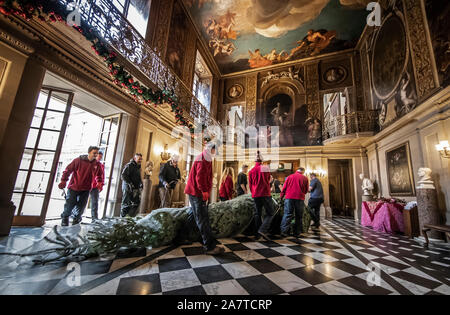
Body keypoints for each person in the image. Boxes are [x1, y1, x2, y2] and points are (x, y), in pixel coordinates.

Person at [184, 142, 224, 255]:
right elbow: (200, 177)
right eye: (214, 150)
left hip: (196, 191)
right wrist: (204, 191)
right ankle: (209, 246)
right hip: (196, 192)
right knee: (202, 217)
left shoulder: (205, 158)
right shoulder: (203, 158)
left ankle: (181, 237)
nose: (215, 152)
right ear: (211, 149)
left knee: (194, 215)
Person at [58, 146, 103, 226]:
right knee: (69, 205)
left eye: (97, 153)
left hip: (86, 189)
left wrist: (100, 183)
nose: (96, 155)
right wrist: (63, 181)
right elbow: (67, 170)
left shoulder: (97, 164)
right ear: (89, 152)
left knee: (81, 207)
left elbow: (100, 175)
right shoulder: (78, 161)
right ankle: (65, 218)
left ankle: (76, 219)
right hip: (74, 187)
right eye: (94, 153)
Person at [248, 151, 275, 240]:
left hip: (256, 194)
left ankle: (257, 234)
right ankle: (262, 230)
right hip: (265, 193)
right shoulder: (265, 168)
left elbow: (250, 184)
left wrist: (253, 193)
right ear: (262, 161)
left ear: (254, 162)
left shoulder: (251, 171)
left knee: (257, 214)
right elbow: (268, 180)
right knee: (270, 212)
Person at [280, 167, 309, 237]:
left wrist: (281, 196)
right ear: (303, 172)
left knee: (287, 214)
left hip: (289, 198)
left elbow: (284, 188)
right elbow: (306, 190)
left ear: (297, 170)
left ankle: (284, 232)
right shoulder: (305, 178)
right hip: (300, 198)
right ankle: (297, 233)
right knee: (298, 216)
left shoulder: (289, 177)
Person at [90, 151, 105, 222]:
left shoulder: (101, 165)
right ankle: (75, 216)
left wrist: (101, 185)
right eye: (98, 156)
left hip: (95, 186)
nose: (99, 158)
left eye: (101, 157)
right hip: (88, 185)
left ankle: (94, 218)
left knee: (95, 202)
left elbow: (102, 176)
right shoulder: (90, 164)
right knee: (81, 201)